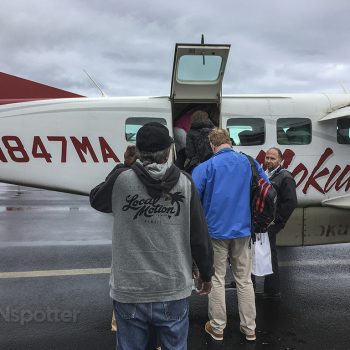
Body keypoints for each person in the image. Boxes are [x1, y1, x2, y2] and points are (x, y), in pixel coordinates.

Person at [90, 122, 214, 350]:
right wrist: (206, 274)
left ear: (136, 151)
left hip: (129, 289)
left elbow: (96, 199)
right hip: (172, 286)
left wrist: (123, 166)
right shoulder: (186, 183)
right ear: (168, 150)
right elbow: (198, 235)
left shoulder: (121, 180)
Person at [191, 128, 268, 343]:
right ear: (230, 142)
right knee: (244, 280)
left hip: (214, 232)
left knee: (216, 279)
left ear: (212, 145)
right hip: (243, 230)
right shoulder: (249, 163)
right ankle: (249, 328)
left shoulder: (205, 167)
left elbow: (193, 199)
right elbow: (266, 188)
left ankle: (217, 327)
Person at [255, 147, 297, 300]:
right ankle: (267, 288)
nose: (269, 161)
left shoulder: (285, 177)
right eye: (267, 158)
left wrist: (278, 222)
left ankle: (273, 291)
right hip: (262, 222)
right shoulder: (265, 174)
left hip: (271, 224)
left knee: (270, 254)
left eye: (272, 158)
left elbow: (291, 202)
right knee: (263, 254)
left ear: (280, 160)